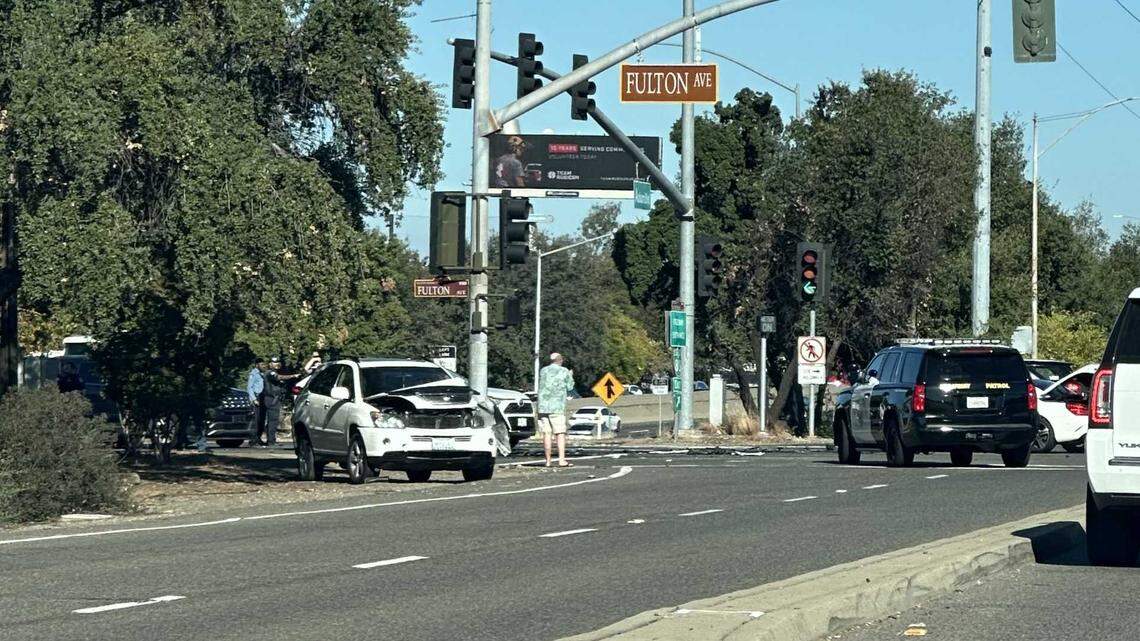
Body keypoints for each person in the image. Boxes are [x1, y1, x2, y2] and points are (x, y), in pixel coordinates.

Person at [537, 352, 576, 467]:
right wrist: (571, 375)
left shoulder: (543, 370)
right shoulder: (564, 371)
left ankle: (548, 461)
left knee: (546, 433)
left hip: (543, 406)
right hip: (557, 406)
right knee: (560, 433)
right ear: (560, 360)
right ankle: (561, 459)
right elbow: (570, 386)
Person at [262, 356, 301, 447]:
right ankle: (271, 441)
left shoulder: (273, 372)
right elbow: (278, 377)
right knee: (273, 421)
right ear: (270, 364)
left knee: (274, 421)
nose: (276, 364)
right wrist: (293, 376)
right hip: (272, 399)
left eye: (277, 362)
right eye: (274, 363)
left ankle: (272, 440)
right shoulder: (270, 373)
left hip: (275, 398)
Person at [246, 359, 266, 447]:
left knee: (262, 420)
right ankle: (253, 440)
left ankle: (258, 438)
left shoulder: (262, 374)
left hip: (262, 397)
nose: (263, 366)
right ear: (257, 365)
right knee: (256, 420)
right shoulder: (253, 374)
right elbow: (249, 388)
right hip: (256, 397)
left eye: (263, 364)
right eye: (261, 364)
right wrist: (254, 399)